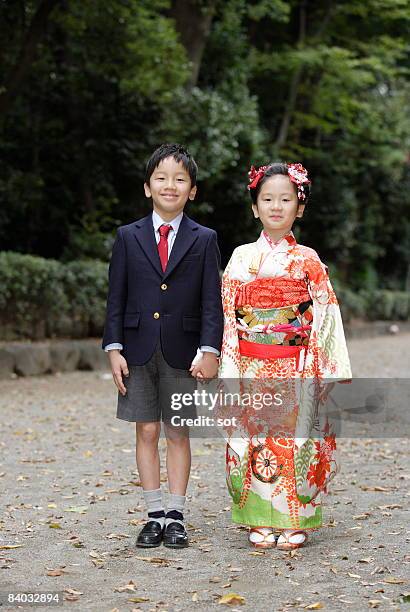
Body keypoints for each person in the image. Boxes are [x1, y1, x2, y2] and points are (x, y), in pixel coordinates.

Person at [219, 162, 351, 550]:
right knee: (256, 436)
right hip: (250, 362)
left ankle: (295, 519)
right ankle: (258, 519)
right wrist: (229, 362)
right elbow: (228, 315)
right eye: (267, 199)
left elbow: (325, 314)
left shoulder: (308, 260)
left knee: (295, 437)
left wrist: (322, 366)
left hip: (297, 363)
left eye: (286, 199)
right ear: (255, 207)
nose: (276, 206)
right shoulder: (241, 257)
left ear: (300, 207)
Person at [102, 143, 223, 549]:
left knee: (177, 431)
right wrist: (113, 348)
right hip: (136, 348)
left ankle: (176, 515)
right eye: (161, 178)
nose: (170, 185)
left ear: (192, 191)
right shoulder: (128, 236)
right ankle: (153, 515)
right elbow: (115, 296)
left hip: (183, 352)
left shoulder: (204, 239)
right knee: (146, 429)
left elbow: (212, 300)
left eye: (180, 179)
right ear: (147, 187)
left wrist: (209, 349)